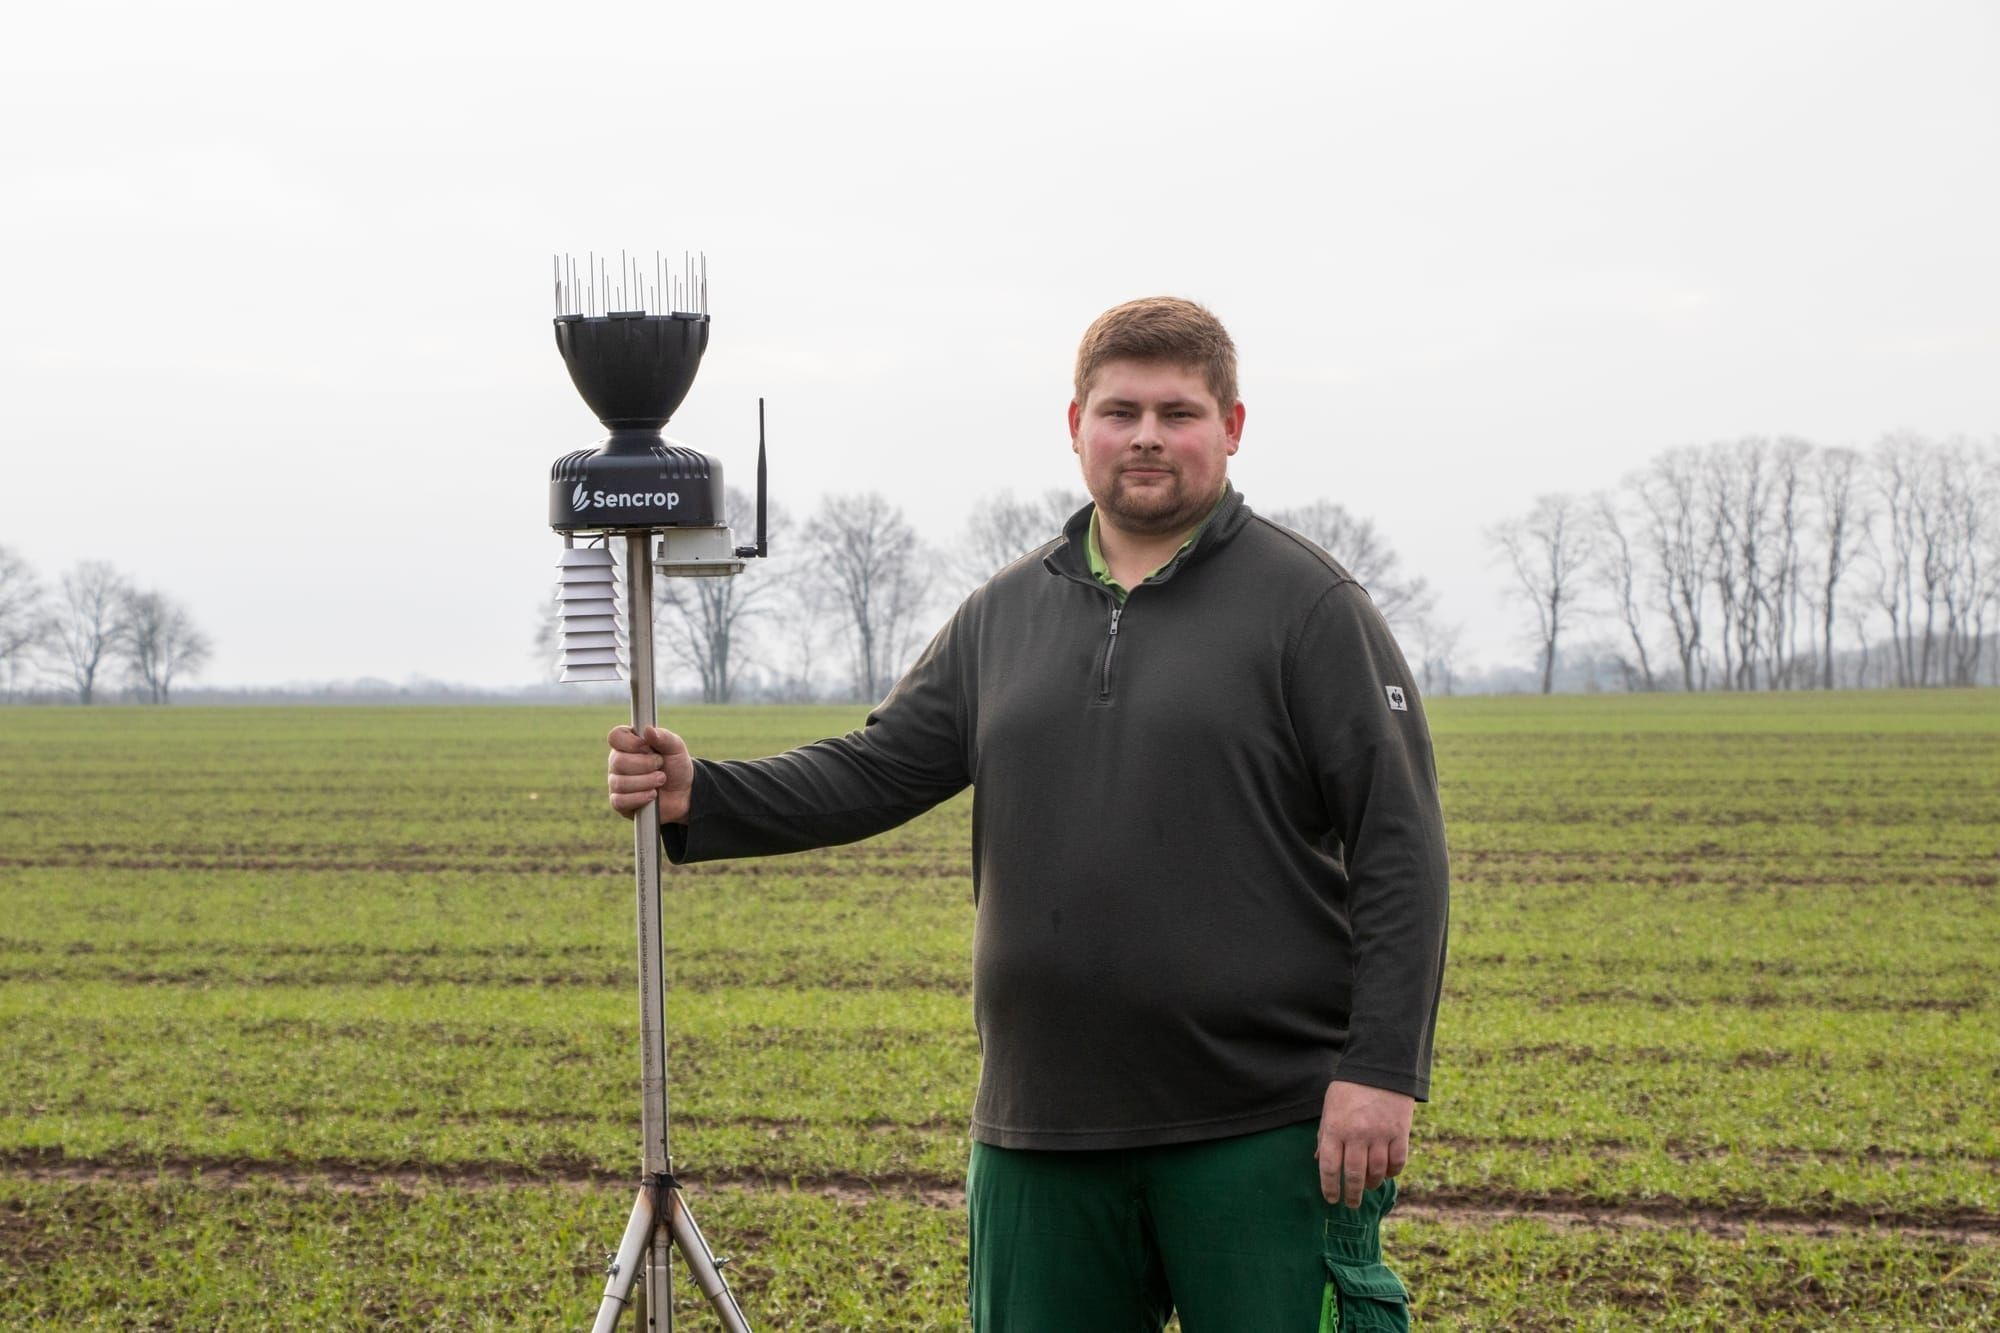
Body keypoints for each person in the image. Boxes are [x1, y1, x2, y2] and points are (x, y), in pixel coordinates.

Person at [607, 296, 1450, 1331]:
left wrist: (1380, 1071)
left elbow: (1398, 847)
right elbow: (878, 768)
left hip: (1259, 1127)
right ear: (1074, 425)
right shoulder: (1002, 613)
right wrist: (710, 792)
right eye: (1119, 410)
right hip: (1039, 1133)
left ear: (1230, 428)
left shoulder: (1310, 609)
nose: (1145, 435)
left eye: (1177, 413)